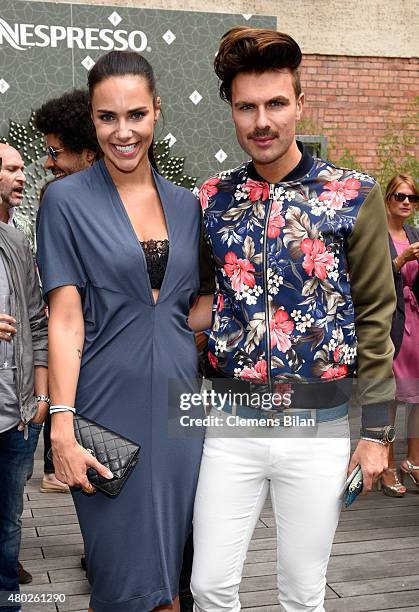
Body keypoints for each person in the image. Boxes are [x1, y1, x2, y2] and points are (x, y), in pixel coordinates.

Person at [191, 27, 396, 612]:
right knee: (209, 585)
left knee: (303, 594)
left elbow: (378, 315)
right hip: (229, 427)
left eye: (276, 103)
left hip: (319, 431)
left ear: (300, 104)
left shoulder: (352, 194)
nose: (262, 120)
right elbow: (198, 300)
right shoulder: (212, 197)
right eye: (247, 107)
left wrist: (377, 432)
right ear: (231, 111)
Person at [36, 51, 212, 612]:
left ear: (157, 112)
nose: (123, 131)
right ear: (92, 120)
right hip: (105, 409)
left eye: (135, 114)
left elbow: (191, 310)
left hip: (181, 410)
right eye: (107, 117)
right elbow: (65, 319)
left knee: (173, 579)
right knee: (119, 578)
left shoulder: (189, 206)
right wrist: (61, 427)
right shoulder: (64, 201)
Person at [34, 89, 100, 494]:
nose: (47, 162)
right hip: (83, 376)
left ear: (88, 154)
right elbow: (64, 315)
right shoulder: (57, 204)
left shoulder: (170, 205)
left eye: (56, 153)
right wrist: (60, 417)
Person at [0, 143, 49, 610]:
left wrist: (41, 394)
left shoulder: (16, 242)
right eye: (12, 169)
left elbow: (36, 321)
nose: (22, 176)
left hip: (15, 415)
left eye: (21, 168)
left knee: (10, 518)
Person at [380, 174, 419, 495]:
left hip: (416, 323)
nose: (406, 202)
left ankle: (414, 462)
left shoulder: (415, 233)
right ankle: (388, 465)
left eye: (412, 198)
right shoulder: (376, 235)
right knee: (391, 398)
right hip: (392, 325)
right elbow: (371, 281)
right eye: (399, 196)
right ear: (388, 199)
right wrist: (401, 260)